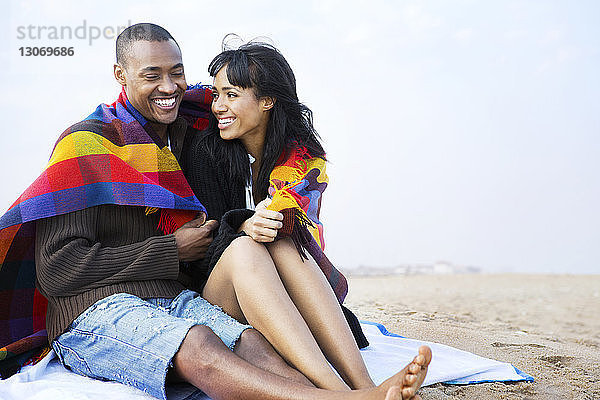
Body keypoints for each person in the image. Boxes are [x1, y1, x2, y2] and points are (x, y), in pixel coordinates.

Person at [0, 23, 431, 400]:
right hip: (94, 308)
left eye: (177, 73)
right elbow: (57, 268)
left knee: (252, 343)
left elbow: (261, 122)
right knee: (200, 341)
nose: (169, 87)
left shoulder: (188, 133)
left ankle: (356, 391)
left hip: (175, 297)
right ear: (121, 76)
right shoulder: (86, 144)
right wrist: (170, 250)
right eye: (152, 75)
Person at [181, 41, 413, 392]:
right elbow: (201, 245)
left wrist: (265, 226)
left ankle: (365, 385)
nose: (218, 107)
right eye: (216, 95)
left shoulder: (301, 161)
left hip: (281, 292)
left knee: (284, 238)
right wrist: (242, 224)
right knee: (248, 247)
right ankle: (342, 395)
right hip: (219, 293)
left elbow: (305, 237)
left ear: (267, 101)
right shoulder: (206, 152)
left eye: (231, 95)